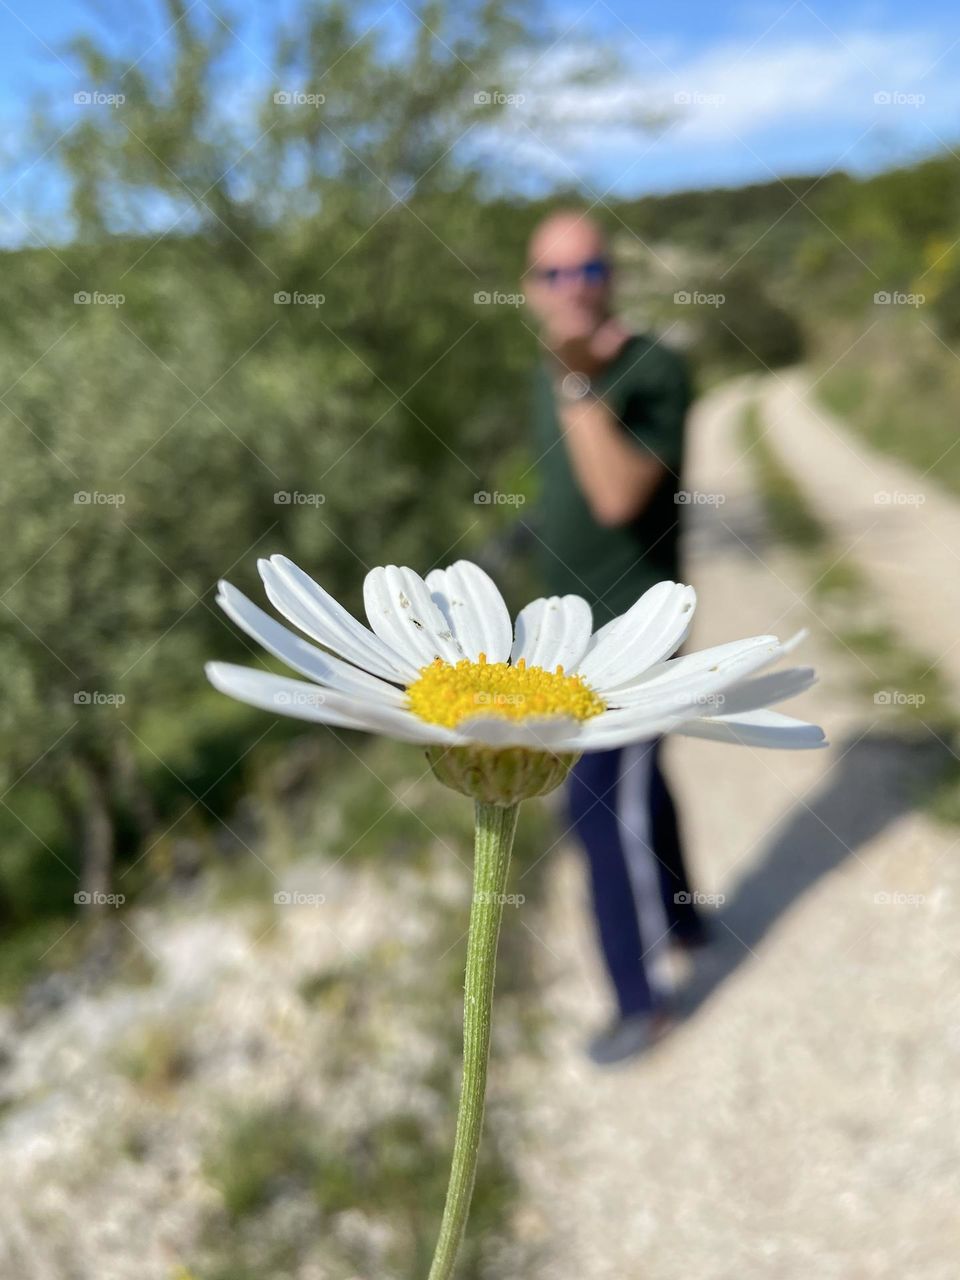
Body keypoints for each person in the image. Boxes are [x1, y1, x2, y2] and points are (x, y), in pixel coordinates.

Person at [524, 210, 707, 1065]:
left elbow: (616, 498)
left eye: (587, 268)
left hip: (637, 630)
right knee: (643, 786)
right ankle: (683, 920)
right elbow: (563, 500)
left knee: (595, 809)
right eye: (553, 273)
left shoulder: (653, 368)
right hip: (569, 631)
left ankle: (642, 1002)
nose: (573, 287)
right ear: (531, 288)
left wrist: (578, 389)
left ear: (612, 274)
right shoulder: (541, 375)